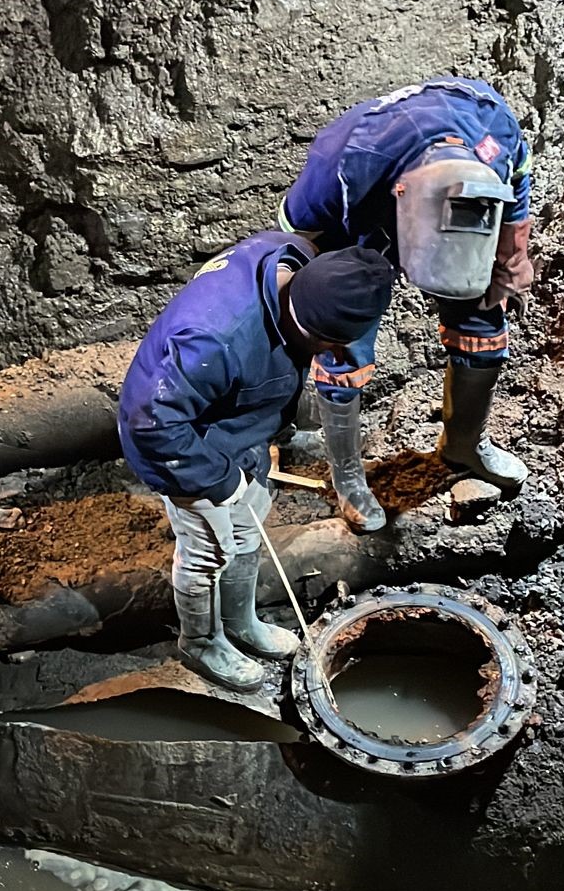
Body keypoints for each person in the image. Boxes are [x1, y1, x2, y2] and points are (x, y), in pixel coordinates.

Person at [119, 234, 391, 691]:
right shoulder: (216, 339)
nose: (340, 358)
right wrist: (220, 480)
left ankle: (241, 623)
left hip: (240, 424)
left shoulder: (295, 260)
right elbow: (150, 423)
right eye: (332, 346)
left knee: (247, 531)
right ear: (308, 327)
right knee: (209, 550)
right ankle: (201, 641)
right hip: (184, 445)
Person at [278, 76, 535, 529]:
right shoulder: (343, 164)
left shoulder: (498, 136)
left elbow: (517, 194)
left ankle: (463, 444)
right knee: (343, 342)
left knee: (483, 322)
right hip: (363, 232)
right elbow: (295, 239)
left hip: (463, 220)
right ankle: (348, 477)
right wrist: (315, 323)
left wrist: (513, 259)